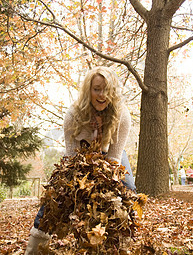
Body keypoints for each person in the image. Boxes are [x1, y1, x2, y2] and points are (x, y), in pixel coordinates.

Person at [25, 66, 136, 254]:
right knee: (57, 192)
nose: (102, 95)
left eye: (107, 90)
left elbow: (115, 158)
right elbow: (70, 156)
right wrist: (76, 183)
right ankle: (34, 247)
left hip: (110, 154)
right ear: (88, 90)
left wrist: (103, 183)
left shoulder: (121, 115)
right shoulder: (73, 115)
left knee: (127, 187)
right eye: (97, 89)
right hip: (80, 155)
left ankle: (119, 245)